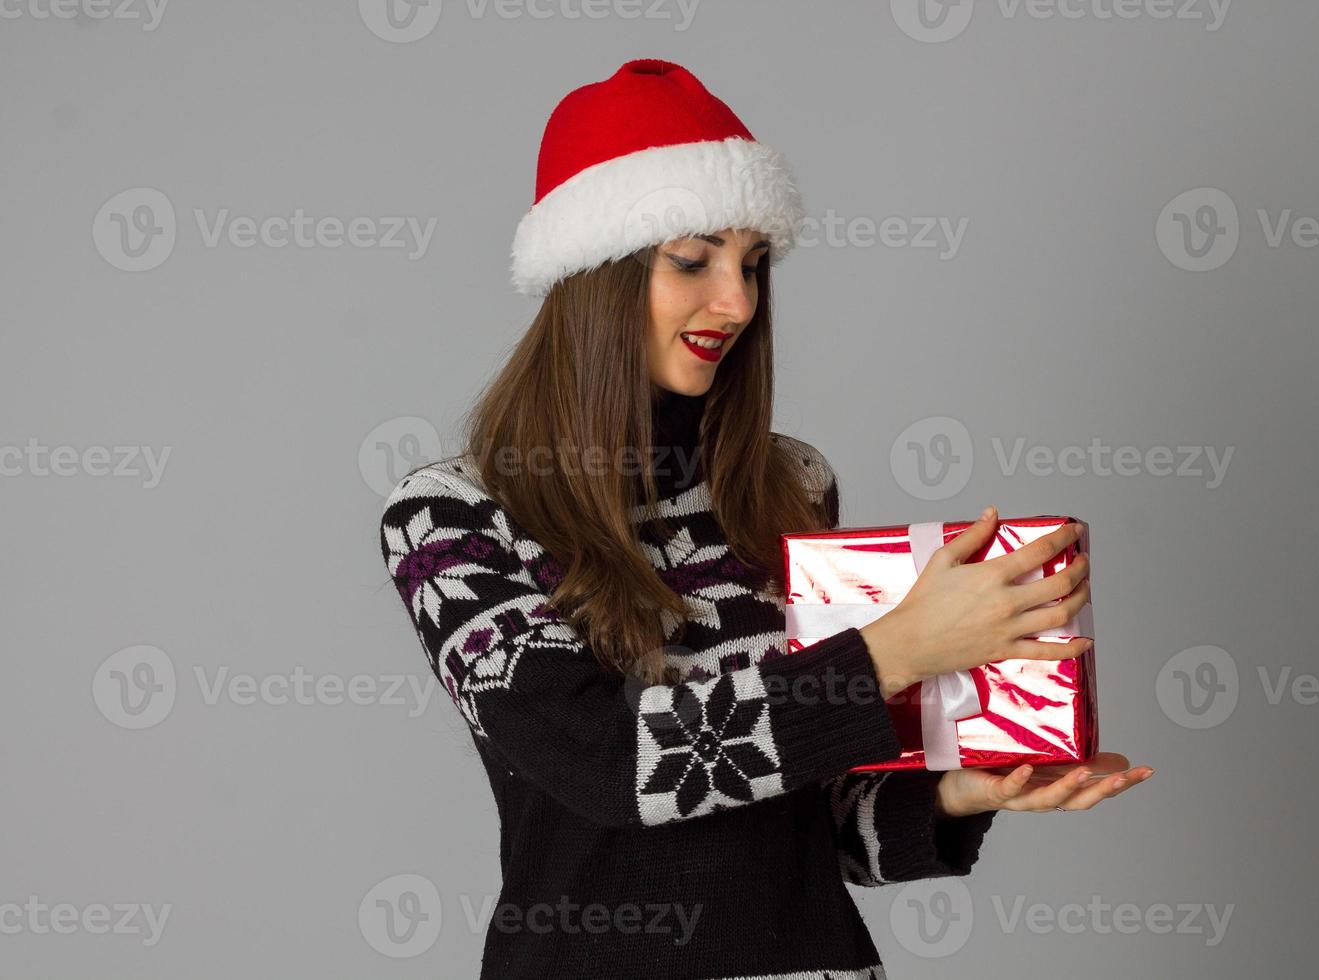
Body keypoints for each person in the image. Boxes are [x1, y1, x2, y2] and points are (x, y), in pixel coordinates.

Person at [378, 57, 1151, 980]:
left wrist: (952, 794)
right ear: (594, 273)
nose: (737, 302)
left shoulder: (792, 483)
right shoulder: (451, 517)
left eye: (752, 264)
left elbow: (810, 821)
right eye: (692, 260)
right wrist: (899, 649)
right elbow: (612, 765)